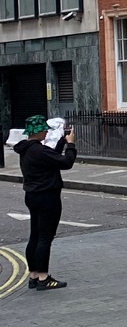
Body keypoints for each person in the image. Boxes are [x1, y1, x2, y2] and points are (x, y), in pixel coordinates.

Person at [15, 113, 76, 290]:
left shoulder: (27, 149)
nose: (47, 133)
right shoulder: (39, 151)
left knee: (35, 236)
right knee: (45, 238)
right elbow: (66, 162)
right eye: (44, 130)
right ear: (38, 131)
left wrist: (62, 142)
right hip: (47, 197)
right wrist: (71, 144)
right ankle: (44, 278)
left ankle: (34, 275)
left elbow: (51, 159)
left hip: (32, 196)